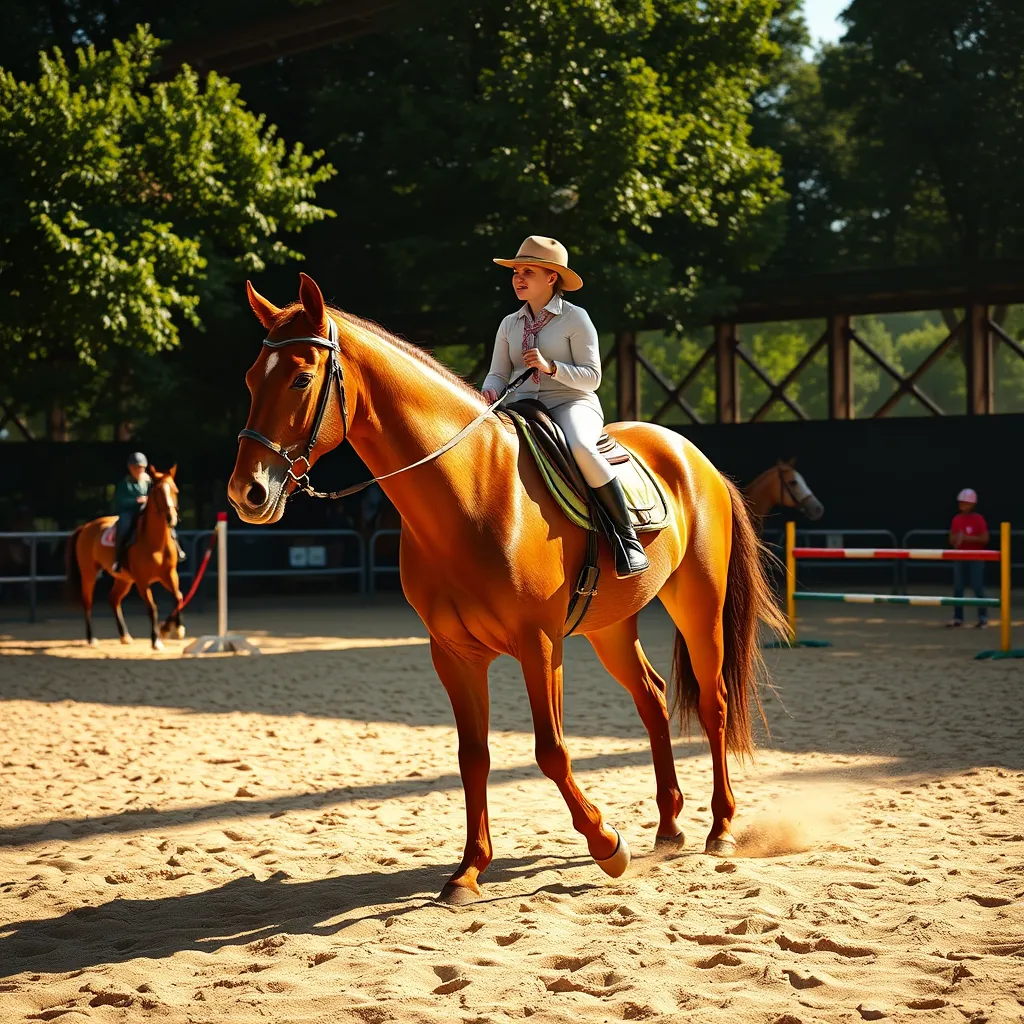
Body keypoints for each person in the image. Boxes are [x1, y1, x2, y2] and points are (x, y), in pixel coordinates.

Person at [483, 235, 648, 577]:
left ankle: (626, 539)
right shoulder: (508, 324)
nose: (518, 278)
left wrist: (552, 367)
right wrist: (487, 393)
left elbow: (593, 378)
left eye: (528, 271)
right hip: (519, 405)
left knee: (582, 449)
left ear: (551, 278)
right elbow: (498, 373)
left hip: (571, 402)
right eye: (515, 271)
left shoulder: (576, 319)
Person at [948, 487, 989, 628]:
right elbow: (952, 539)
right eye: (961, 503)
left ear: (973, 504)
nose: (963, 506)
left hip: (976, 557)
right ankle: (958, 617)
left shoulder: (978, 519)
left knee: (977, 587)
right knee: (958, 587)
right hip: (960, 556)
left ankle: (983, 617)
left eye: (966, 503)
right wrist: (957, 539)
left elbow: (985, 538)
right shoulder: (956, 519)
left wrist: (966, 538)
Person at [111, 452, 150, 573]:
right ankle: (118, 558)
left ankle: (177, 548)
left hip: (144, 511)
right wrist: (136, 501)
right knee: (124, 526)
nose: (139, 470)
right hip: (128, 512)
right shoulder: (124, 484)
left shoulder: (148, 482)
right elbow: (120, 500)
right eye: (136, 468)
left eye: (141, 468)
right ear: (130, 468)